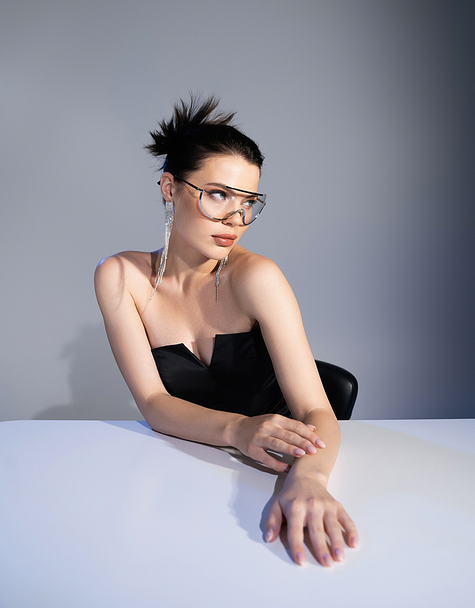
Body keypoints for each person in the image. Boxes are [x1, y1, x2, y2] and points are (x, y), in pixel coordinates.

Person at [95, 95, 358, 567]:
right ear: (169, 187)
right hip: (189, 470)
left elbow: (317, 408)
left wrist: (310, 480)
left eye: (248, 202)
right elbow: (154, 405)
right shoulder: (119, 277)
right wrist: (238, 430)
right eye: (218, 194)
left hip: (277, 463)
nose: (236, 219)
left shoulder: (257, 277)